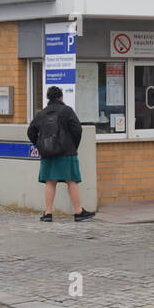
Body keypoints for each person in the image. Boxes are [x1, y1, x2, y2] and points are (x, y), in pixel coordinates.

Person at [27, 86, 94, 222]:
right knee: (72, 181)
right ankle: (78, 212)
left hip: (48, 153)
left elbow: (31, 132)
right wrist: (73, 145)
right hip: (67, 152)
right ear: (61, 97)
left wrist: (40, 145)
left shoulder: (41, 114)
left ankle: (48, 213)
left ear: (48, 98)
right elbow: (77, 130)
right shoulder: (67, 111)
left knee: (50, 182)